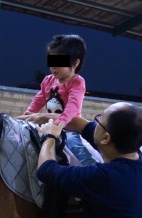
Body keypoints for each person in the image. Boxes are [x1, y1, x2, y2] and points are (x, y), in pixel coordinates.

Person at [20, 34, 96, 166]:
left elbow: (73, 106)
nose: (54, 66)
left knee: (75, 146)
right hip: (51, 123)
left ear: (75, 63)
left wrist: (60, 122)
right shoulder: (48, 80)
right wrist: (27, 115)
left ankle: (90, 168)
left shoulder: (77, 82)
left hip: (69, 126)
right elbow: (39, 99)